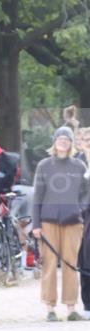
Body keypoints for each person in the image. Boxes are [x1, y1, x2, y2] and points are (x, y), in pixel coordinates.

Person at [31, 127, 89, 322]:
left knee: (70, 265)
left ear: (71, 143)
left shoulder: (79, 166)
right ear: (54, 142)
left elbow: (85, 193)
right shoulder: (44, 165)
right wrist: (36, 224)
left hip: (73, 222)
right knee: (49, 264)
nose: (63, 142)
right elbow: (37, 196)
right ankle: (50, 308)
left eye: (67, 139)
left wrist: (79, 208)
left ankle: (71, 307)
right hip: (48, 222)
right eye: (60, 139)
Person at [78, 127, 90, 319]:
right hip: (83, 214)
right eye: (85, 139)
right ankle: (88, 303)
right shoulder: (78, 162)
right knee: (86, 257)